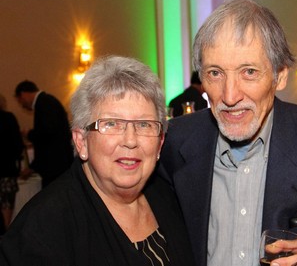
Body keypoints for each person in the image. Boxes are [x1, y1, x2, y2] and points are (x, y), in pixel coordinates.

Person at [157, 0, 297, 266]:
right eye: (215, 73)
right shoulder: (172, 142)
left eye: (248, 72)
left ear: (280, 76)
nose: (230, 95)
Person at [0, 56, 195, 266]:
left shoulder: (169, 195)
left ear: (160, 142)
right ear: (81, 141)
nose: (130, 141)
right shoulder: (44, 226)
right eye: (111, 124)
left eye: (144, 125)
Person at [14, 80, 74, 187]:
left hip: (55, 165)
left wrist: (29, 134)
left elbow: (46, 136)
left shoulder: (44, 103)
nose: (22, 105)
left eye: (20, 101)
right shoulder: (47, 101)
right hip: (59, 163)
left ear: (23, 94)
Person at [0, 94, 24, 233]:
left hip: (6, 167)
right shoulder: (8, 118)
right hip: (7, 168)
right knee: (7, 204)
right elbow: (18, 145)